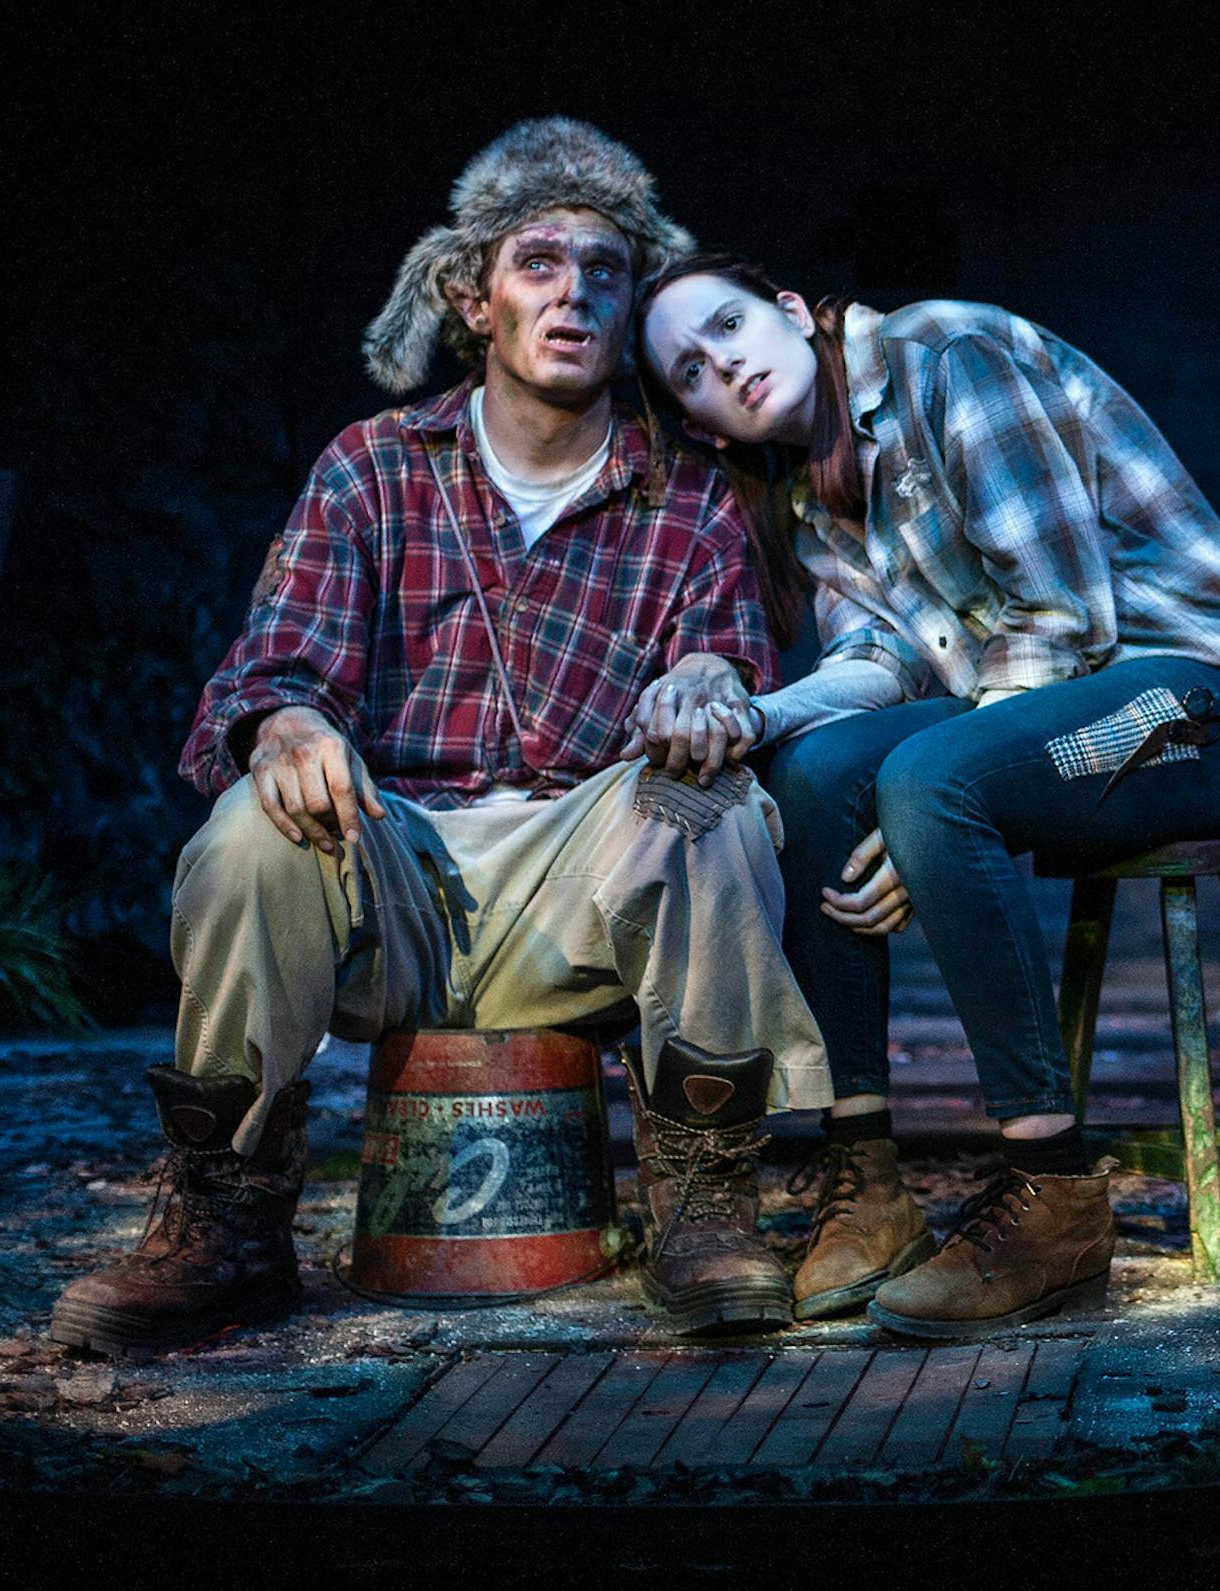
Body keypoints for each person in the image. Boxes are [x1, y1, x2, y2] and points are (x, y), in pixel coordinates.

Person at [50, 122, 833, 1358]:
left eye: (606, 268)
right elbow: (267, 667)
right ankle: (226, 1227)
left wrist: (705, 679)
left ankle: (702, 1208)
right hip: (392, 886)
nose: (574, 288)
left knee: (712, 803)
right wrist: (290, 719)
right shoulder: (373, 469)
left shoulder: (686, 497)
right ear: (473, 296)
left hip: (585, 891)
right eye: (538, 261)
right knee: (252, 827)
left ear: (629, 308)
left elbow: (731, 656)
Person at [636, 253, 1220, 1338]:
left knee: (924, 776)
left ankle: (1052, 1192)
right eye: (690, 371)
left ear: (787, 311)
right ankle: (867, 1180)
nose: (724, 362)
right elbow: (880, 661)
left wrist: (922, 820)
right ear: (705, 422)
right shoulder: (819, 497)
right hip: (1059, 716)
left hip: (1213, 707)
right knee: (814, 774)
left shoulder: (945, 356)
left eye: (728, 327)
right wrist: (764, 720)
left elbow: (1063, 621)